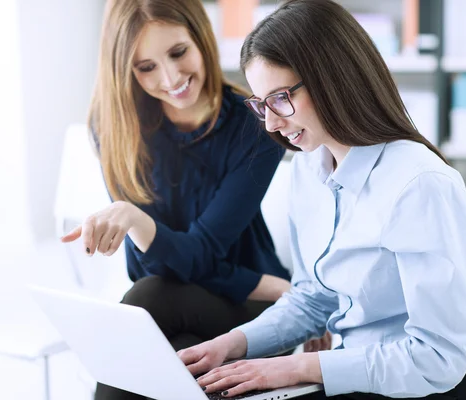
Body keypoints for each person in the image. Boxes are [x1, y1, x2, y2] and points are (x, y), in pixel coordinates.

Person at [178, 1, 466, 399]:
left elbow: (437, 358)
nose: (271, 124)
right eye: (261, 105)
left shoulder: (418, 183)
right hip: (354, 367)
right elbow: (314, 298)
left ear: (332, 79)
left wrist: (296, 367)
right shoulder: (308, 170)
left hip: (430, 380)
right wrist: (232, 343)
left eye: (280, 99)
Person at [60, 0, 331, 399]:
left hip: (250, 311)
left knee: (146, 312)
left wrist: (136, 221)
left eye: (178, 52)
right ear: (126, 71)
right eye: (146, 67)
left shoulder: (256, 123)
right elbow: (147, 265)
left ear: (201, 37)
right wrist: (274, 285)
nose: (170, 78)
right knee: (167, 341)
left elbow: (196, 254)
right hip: (198, 300)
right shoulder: (115, 125)